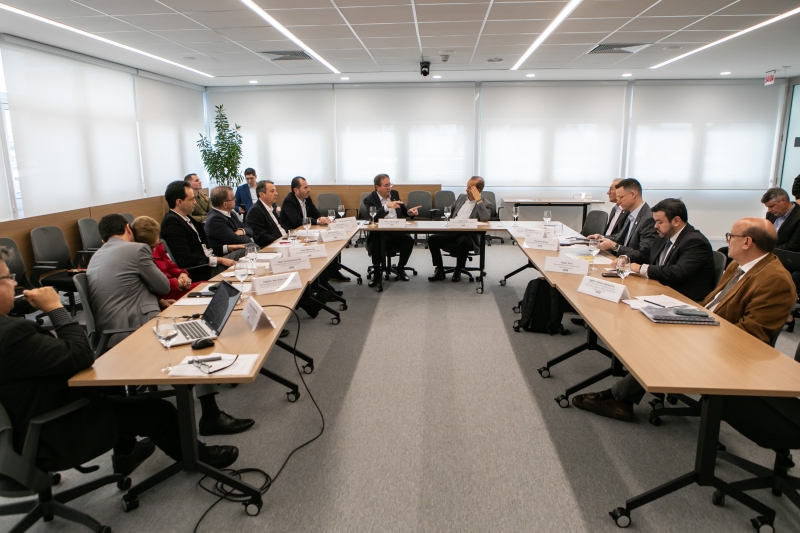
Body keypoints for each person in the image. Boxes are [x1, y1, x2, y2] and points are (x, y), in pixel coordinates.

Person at [0, 248, 239, 475]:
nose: (13, 283)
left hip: (22, 422)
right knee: (161, 411)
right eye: (7, 278)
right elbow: (80, 355)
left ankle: (126, 453)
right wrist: (56, 308)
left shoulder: (10, 331)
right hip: (53, 430)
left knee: (114, 381)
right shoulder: (11, 334)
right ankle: (199, 457)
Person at [572, 217, 796, 422]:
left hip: (726, 348)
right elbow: (715, 302)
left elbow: (749, 338)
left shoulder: (774, 281)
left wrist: (692, 333)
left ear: (747, 242)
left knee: (662, 341)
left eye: (731, 236)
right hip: (703, 323)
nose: (727, 241)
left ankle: (618, 398)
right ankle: (624, 394)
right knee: (644, 321)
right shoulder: (739, 264)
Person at [87, 215, 255, 436]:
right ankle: (211, 416)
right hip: (136, 329)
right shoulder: (136, 250)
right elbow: (162, 284)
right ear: (128, 228)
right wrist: (160, 296)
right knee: (198, 337)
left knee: (193, 323)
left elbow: (122, 292)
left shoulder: (95, 257)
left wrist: (157, 301)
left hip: (107, 336)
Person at [627, 198, 716, 302]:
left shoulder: (695, 241)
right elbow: (647, 254)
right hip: (661, 291)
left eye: (659, 222)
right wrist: (626, 259)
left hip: (685, 300)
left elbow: (678, 272)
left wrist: (642, 268)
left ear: (676, 221)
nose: (655, 226)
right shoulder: (663, 236)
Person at [160, 181, 237, 281]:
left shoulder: (186, 218)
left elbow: (204, 247)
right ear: (179, 202)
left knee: (244, 250)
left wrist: (228, 247)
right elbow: (185, 259)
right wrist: (219, 260)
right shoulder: (172, 223)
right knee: (246, 253)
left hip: (210, 260)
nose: (195, 202)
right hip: (202, 270)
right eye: (191, 199)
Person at [280, 176, 349, 285]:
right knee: (319, 249)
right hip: (293, 236)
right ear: (296, 190)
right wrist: (317, 221)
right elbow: (296, 221)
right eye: (305, 187)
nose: (309, 190)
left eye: (308, 187)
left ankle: (333, 272)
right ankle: (322, 283)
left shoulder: (307, 198)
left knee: (329, 241)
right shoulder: (289, 201)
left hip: (306, 231)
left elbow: (315, 212)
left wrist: (322, 218)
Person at [428, 176, 492, 282]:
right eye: (467, 187)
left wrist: (478, 200)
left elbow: (485, 218)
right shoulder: (462, 197)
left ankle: (458, 270)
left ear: (478, 190)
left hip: (468, 235)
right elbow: (450, 211)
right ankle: (440, 270)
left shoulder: (486, 204)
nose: (466, 190)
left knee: (463, 241)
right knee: (432, 239)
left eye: (470, 188)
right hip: (452, 231)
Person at [363, 173, 420, 286]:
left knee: (408, 239)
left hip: (397, 230)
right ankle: (377, 274)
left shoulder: (394, 194)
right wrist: (386, 206)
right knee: (376, 239)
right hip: (381, 231)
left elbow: (403, 210)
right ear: (377, 187)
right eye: (386, 185)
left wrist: (410, 212)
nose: (389, 188)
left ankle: (400, 269)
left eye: (390, 184)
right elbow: (372, 217)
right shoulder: (369, 199)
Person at [130, 216, 201, 301]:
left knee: (209, 287)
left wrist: (182, 274)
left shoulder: (158, 245)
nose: (154, 249)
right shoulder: (139, 257)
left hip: (177, 287)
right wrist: (178, 283)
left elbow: (170, 266)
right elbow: (155, 284)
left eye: (157, 243)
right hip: (165, 294)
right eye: (151, 247)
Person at [589, 178, 657, 259]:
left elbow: (644, 254)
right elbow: (620, 236)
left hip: (633, 266)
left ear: (633, 194)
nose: (618, 202)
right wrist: (602, 238)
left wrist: (615, 247)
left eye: (620, 197)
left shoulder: (648, 218)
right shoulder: (631, 214)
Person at [205, 185, 253, 253]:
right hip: (223, 256)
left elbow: (250, 230)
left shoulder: (231, 213)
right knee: (251, 247)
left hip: (238, 249)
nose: (235, 200)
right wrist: (247, 238)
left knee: (252, 246)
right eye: (233, 199)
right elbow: (235, 240)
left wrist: (242, 231)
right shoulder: (215, 219)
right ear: (225, 204)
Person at [246, 180, 288, 247]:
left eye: (275, 190)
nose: (276, 193)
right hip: (273, 246)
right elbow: (261, 237)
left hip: (285, 241)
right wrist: (281, 241)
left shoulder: (271, 207)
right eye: (272, 191)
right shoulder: (255, 211)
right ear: (262, 194)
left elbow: (280, 227)